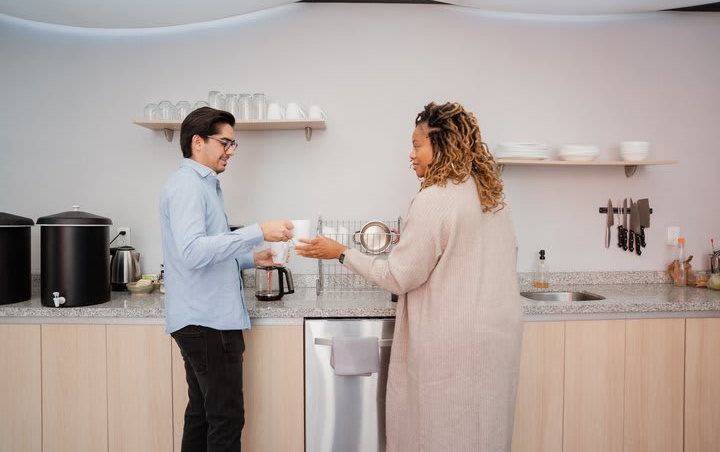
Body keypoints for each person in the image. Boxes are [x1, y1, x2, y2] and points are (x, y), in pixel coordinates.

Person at [296, 101, 523, 451]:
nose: (411, 154)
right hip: (496, 339)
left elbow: (398, 276)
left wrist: (340, 252)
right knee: (483, 432)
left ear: (442, 145)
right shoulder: (491, 199)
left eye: (418, 145)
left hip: (452, 344)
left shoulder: (436, 198)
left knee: (438, 433)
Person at [160, 107, 293, 451]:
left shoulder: (201, 185)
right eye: (225, 142)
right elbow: (192, 252)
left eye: (234, 143)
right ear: (198, 142)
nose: (231, 151)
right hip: (207, 322)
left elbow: (208, 254)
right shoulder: (188, 186)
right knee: (225, 417)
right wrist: (257, 231)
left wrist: (251, 258)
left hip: (201, 318)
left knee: (203, 415)